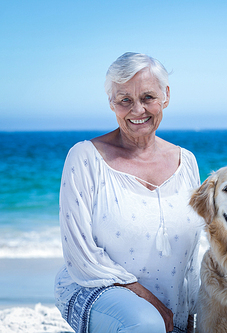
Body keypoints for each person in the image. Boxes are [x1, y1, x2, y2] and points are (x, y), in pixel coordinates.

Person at [54, 52, 203, 333]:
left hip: (167, 306)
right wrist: (149, 304)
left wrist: (191, 311)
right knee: (146, 324)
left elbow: (192, 253)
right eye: (125, 100)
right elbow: (81, 255)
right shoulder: (85, 157)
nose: (137, 110)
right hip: (95, 288)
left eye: (148, 97)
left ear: (166, 96)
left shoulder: (187, 162)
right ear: (111, 103)